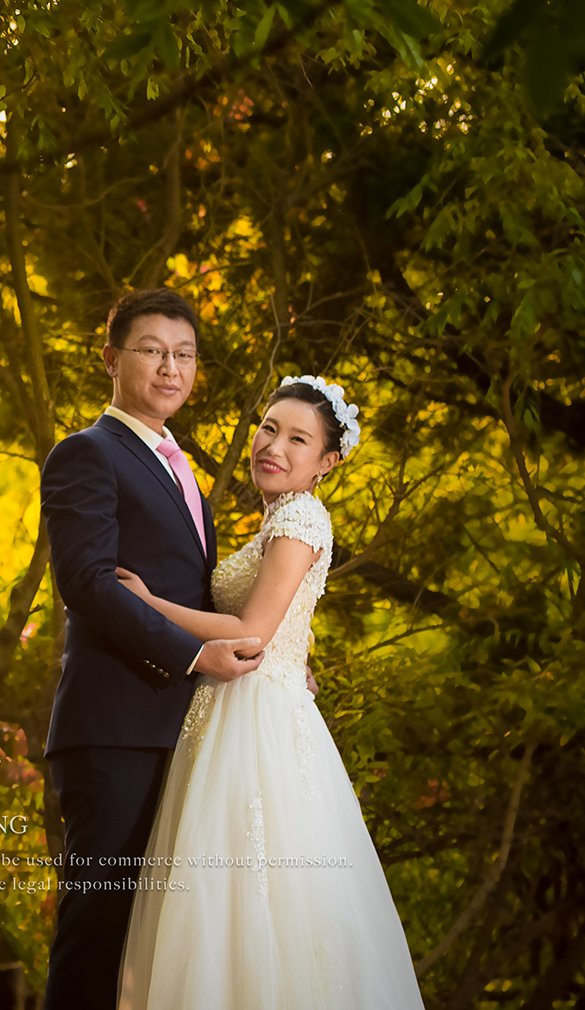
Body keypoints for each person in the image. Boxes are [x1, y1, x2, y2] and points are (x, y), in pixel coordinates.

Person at [112, 375, 425, 1008]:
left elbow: (253, 631)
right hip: (235, 706)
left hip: (256, 720)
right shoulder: (277, 519)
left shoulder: (302, 517)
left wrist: (147, 604)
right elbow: (281, 623)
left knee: (251, 886)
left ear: (326, 462)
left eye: (297, 439)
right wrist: (294, 654)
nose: (273, 446)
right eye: (269, 428)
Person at [38, 288, 267, 1010]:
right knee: (99, 927)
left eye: (185, 354)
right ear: (111, 359)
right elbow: (87, 583)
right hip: (116, 731)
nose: (171, 367)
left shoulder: (176, 463)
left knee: (158, 943)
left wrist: (281, 655)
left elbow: (193, 594)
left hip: (184, 728)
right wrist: (194, 657)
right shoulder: (87, 453)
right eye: (152, 351)